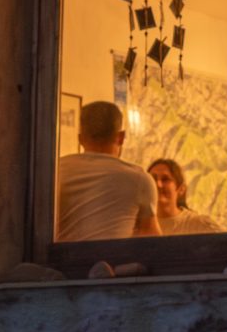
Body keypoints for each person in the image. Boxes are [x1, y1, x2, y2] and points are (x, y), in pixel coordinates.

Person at [55, 100, 159, 241]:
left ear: (81, 139)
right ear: (121, 137)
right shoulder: (139, 179)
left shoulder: (56, 170)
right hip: (113, 256)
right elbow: (151, 241)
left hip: (58, 256)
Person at [146, 158, 223, 235]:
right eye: (153, 179)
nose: (158, 185)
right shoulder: (140, 227)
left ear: (181, 189)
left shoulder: (200, 225)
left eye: (165, 179)